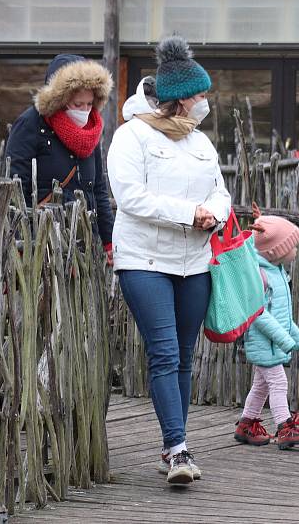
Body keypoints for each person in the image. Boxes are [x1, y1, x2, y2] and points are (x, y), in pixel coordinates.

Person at [107, 36, 231, 485]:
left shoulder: (200, 142)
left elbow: (220, 190)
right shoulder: (131, 135)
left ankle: (170, 444)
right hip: (144, 260)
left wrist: (214, 214)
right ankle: (179, 450)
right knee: (162, 353)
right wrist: (187, 214)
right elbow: (130, 196)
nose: (204, 103)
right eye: (199, 96)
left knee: (182, 356)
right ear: (179, 100)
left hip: (193, 262)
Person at [6, 54, 115, 262]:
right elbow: (16, 187)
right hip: (42, 244)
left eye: (89, 104)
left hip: (84, 244)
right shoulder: (30, 124)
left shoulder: (91, 130)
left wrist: (108, 240)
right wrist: (21, 241)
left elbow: (98, 188)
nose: (85, 111)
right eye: (77, 104)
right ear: (59, 99)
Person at [234, 205, 299, 450]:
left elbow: (281, 313)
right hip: (264, 341)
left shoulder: (277, 271)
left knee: (261, 385)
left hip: (271, 342)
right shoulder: (260, 274)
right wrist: (283, 337)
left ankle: (246, 424)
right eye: (291, 247)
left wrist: (294, 334)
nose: (294, 251)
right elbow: (257, 313)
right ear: (275, 251)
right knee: (279, 383)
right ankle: (285, 427)